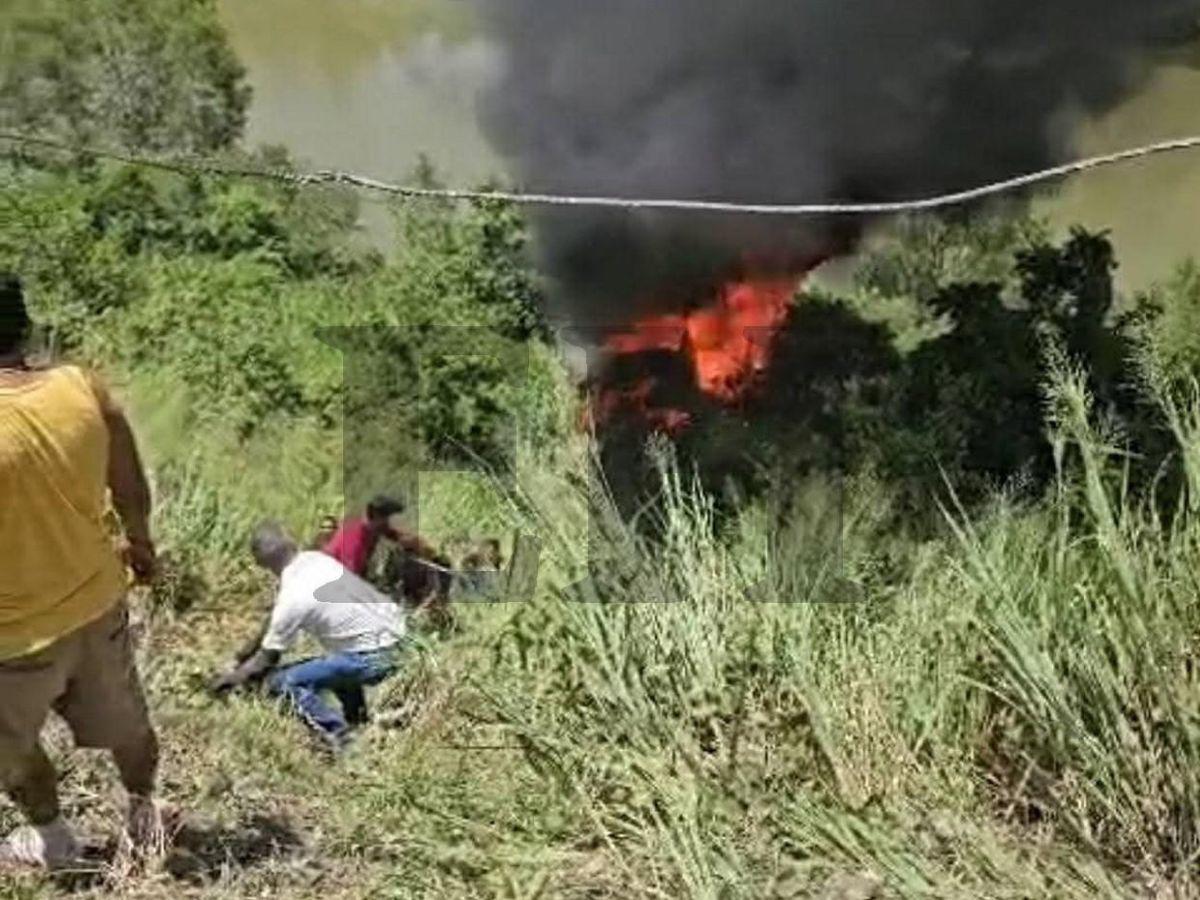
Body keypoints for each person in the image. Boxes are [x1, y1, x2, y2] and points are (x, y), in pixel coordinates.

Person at [0, 273, 164, 871]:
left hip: (11, 640)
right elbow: (129, 483)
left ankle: (53, 839)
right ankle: (145, 815)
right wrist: (142, 543)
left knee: (11, 752)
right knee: (127, 721)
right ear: (23, 325)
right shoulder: (81, 387)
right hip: (97, 605)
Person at [210, 522, 406, 754]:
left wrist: (228, 681)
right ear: (291, 543)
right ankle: (358, 721)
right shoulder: (316, 560)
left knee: (281, 683)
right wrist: (242, 655)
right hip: (402, 641)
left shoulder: (293, 597)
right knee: (335, 661)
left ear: (263, 563)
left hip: (373, 658)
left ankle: (344, 741)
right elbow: (274, 620)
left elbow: (265, 661)